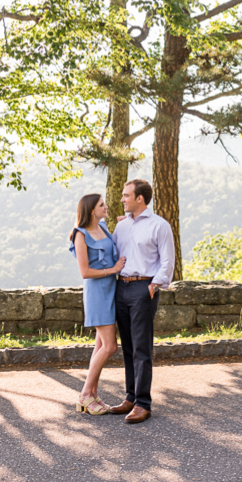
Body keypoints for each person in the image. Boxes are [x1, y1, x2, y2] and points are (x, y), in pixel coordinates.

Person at [109, 179, 175, 424]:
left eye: (126, 195)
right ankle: (130, 397)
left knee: (141, 348)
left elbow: (168, 261)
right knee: (127, 346)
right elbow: (112, 251)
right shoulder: (122, 226)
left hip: (143, 288)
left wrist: (153, 286)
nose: (122, 199)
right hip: (121, 287)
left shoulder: (160, 225)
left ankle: (143, 404)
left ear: (140, 198)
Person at [69, 193, 126, 415]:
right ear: (92, 210)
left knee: (100, 347)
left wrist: (125, 225)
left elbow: (115, 249)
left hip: (111, 291)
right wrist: (112, 270)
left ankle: (92, 395)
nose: (107, 206)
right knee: (110, 347)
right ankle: (84, 394)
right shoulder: (80, 235)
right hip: (97, 293)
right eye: (102, 205)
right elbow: (85, 272)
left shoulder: (103, 228)